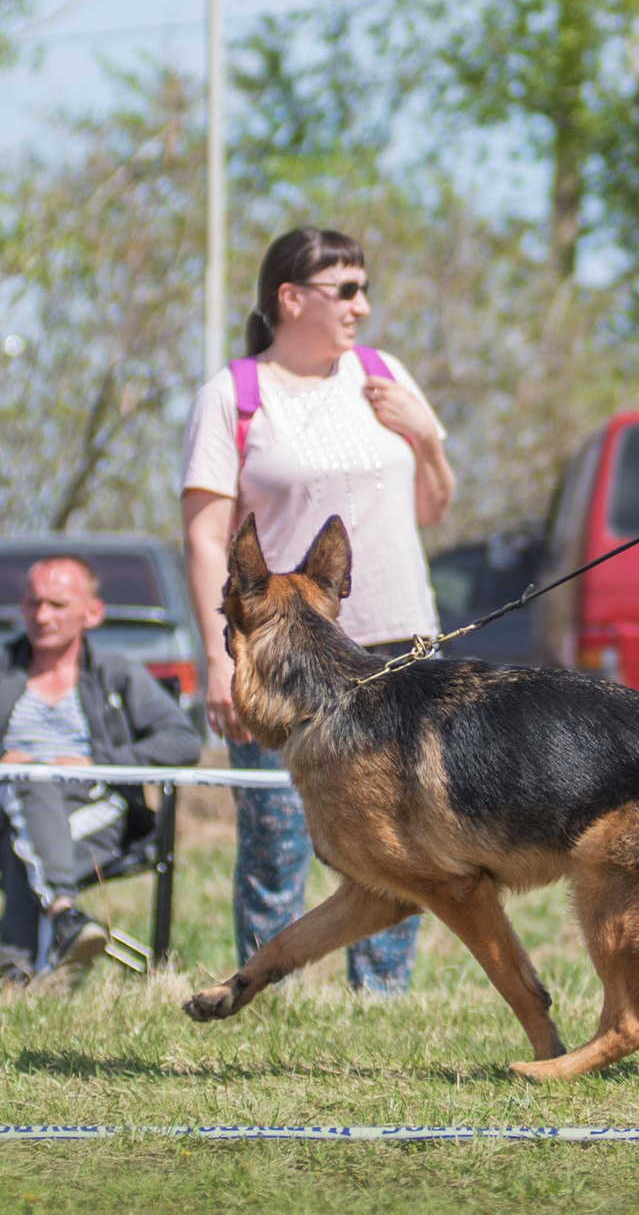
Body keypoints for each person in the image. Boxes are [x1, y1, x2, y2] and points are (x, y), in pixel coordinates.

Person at [180, 227, 456, 994]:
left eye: (365, 288)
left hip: (398, 646)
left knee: (399, 836)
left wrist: (426, 437)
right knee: (277, 838)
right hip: (285, 657)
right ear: (291, 298)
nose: (362, 306)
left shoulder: (383, 376)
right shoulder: (234, 395)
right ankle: (261, 991)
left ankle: (383, 997)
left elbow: (433, 506)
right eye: (347, 289)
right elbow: (204, 537)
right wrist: (219, 660)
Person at [0, 556, 199, 984]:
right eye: (33, 603)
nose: (41, 616)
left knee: (25, 839)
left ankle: (16, 972)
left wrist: (97, 764)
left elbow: (183, 740)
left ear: (92, 612)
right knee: (32, 780)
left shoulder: (117, 674)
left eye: (57, 604)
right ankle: (63, 916)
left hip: (94, 812)